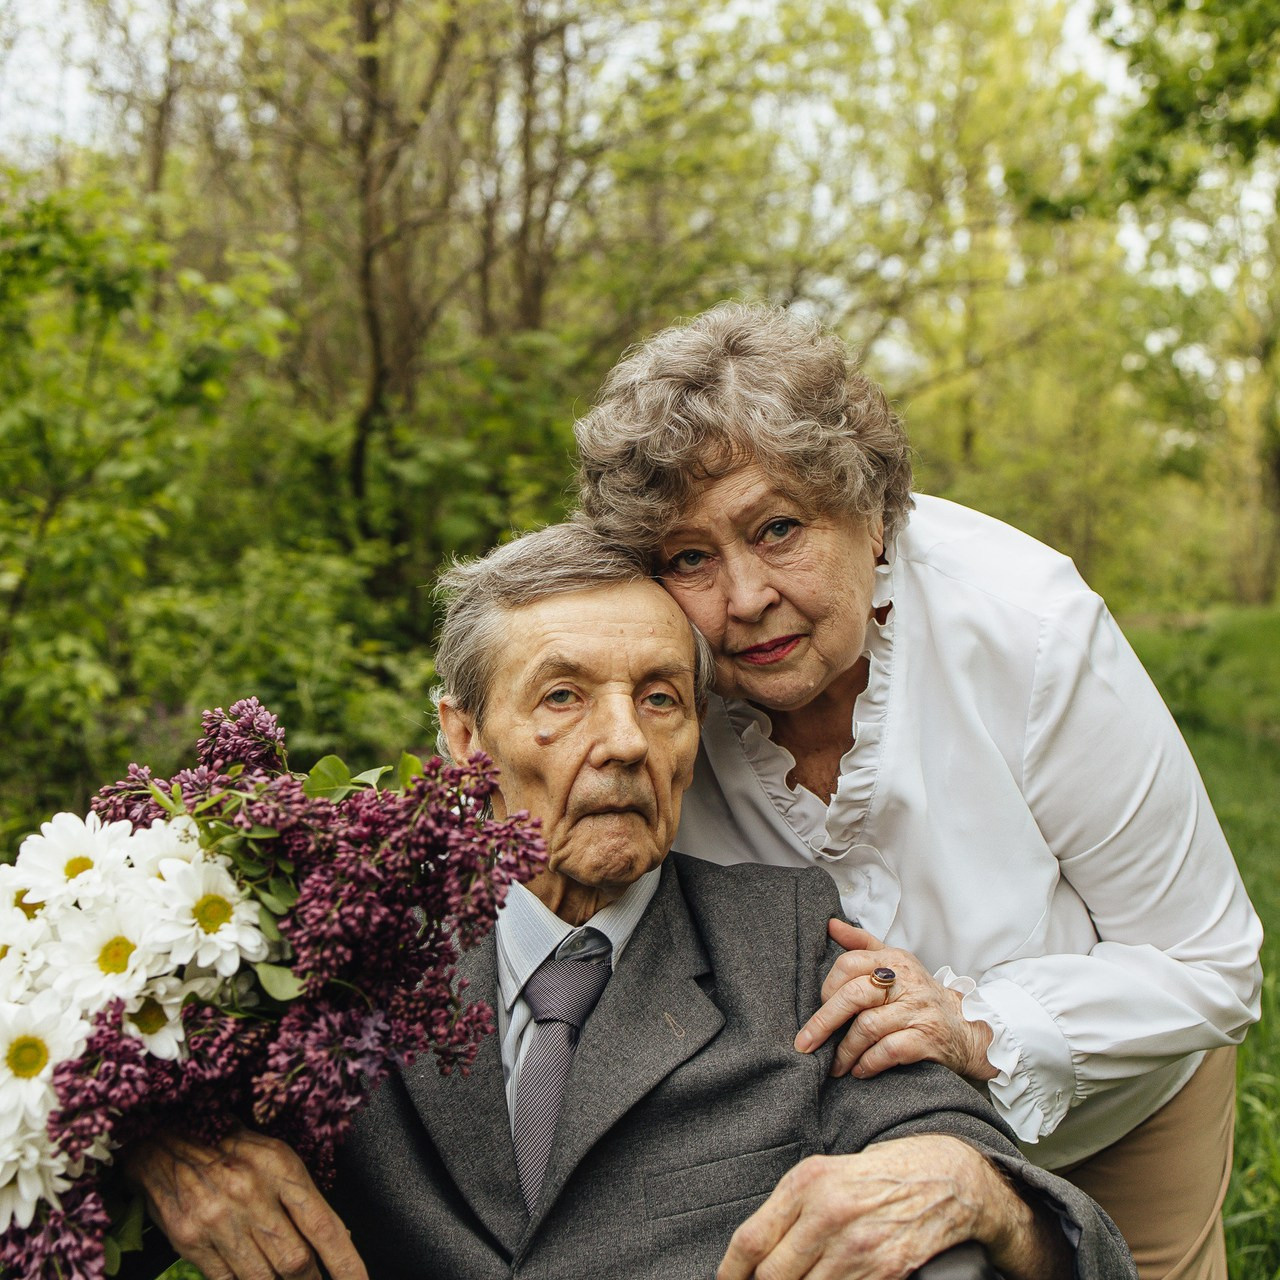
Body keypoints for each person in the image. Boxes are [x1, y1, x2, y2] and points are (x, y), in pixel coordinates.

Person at [121, 524, 1136, 1280]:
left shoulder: (783, 938)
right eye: (561, 696)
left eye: (659, 697)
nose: (621, 741)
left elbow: (1019, 1204)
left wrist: (978, 1190)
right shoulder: (328, 935)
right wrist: (158, 1150)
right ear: (465, 737)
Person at [572, 301, 1264, 1280]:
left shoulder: (1028, 630)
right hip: (825, 1141)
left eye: (777, 528)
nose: (742, 598)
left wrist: (974, 1024)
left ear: (870, 507)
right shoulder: (648, 685)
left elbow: (1208, 963)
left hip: (1108, 1118)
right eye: (689, 556)